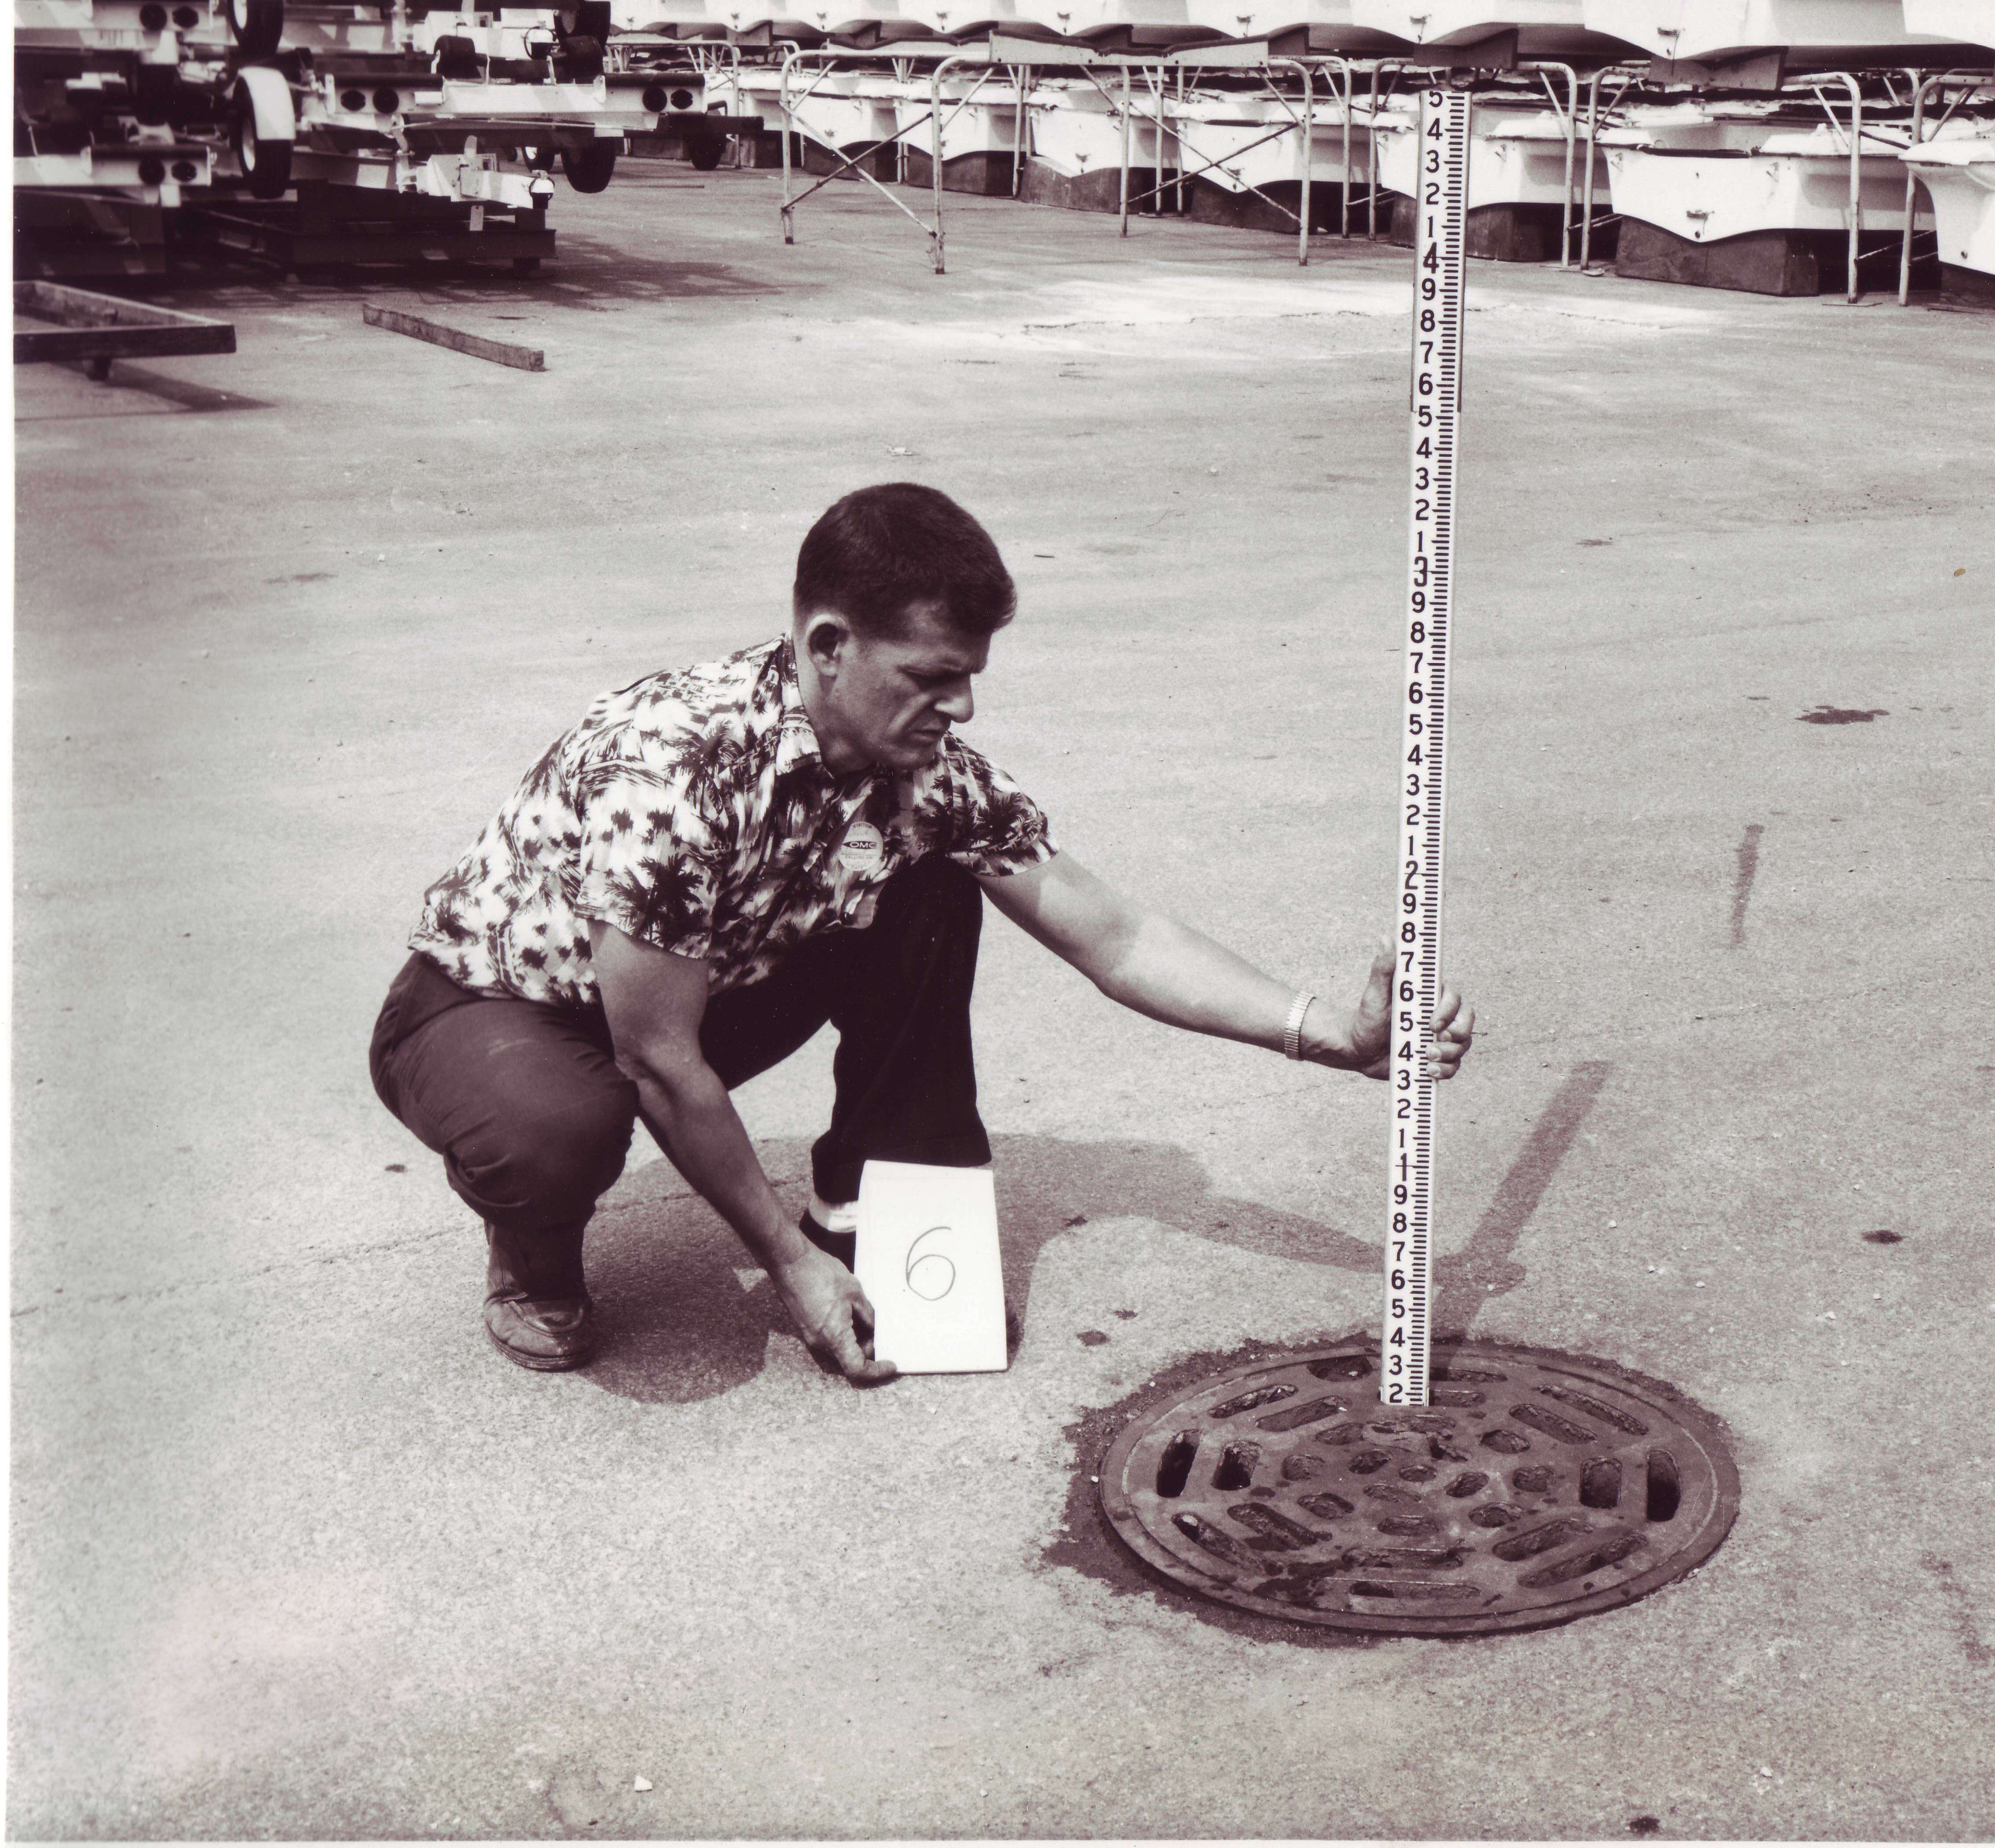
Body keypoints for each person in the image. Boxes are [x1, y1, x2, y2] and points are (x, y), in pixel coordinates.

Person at [369, 483, 1475, 1382]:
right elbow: (656, 1058)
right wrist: (785, 1265)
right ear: (829, 644)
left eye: (971, 679)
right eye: (932, 678)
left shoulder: (925, 773)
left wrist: (1323, 1031)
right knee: (558, 1125)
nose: (963, 710)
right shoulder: (672, 771)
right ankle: (533, 1252)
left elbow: (1115, 934)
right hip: (496, 1015)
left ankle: (869, 1210)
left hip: (696, 993)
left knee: (932, 890)